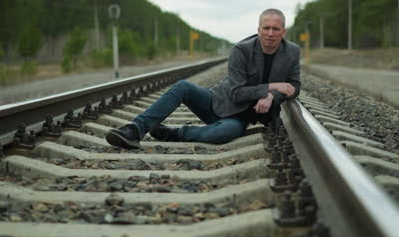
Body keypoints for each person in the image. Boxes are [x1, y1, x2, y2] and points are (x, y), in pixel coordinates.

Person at [106, 8, 301, 149]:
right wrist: (272, 86)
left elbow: (294, 86)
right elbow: (236, 92)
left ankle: (173, 133)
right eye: (266, 28)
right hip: (217, 101)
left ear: (284, 32)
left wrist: (271, 96)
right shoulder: (241, 50)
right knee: (183, 87)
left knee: (222, 133)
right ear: (258, 29)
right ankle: (134, 130)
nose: (270, 33)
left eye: (276, 29)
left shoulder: (292, 52)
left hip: (240, 118)